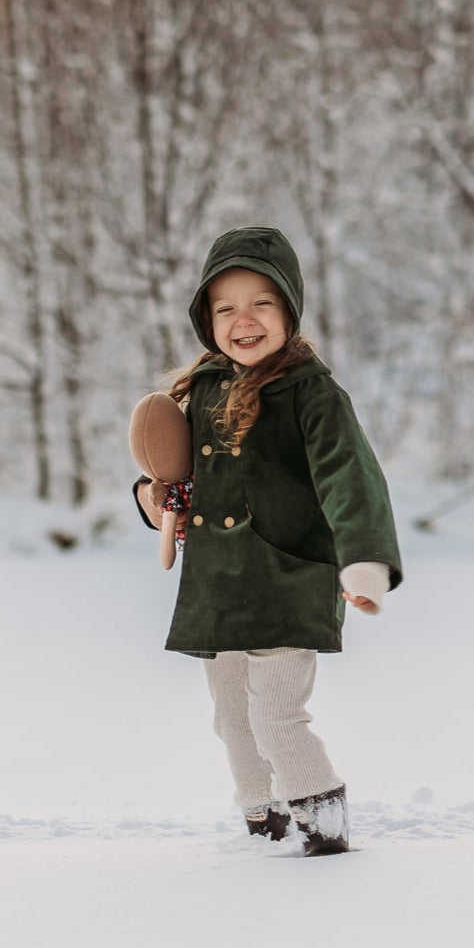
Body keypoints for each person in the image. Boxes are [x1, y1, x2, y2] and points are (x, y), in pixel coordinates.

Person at [133, 226, 402, 856]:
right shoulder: (200, 389)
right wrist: (154, 500)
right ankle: (264, 820)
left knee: (275, 716)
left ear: (288, 309)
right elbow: (180, 479)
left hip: (287, 575)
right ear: (206, 318)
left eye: (261, 302)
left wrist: (363, 560)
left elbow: (349, 477)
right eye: (224, 307)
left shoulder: (312, 395)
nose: (242, 319)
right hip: (219, 583)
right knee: (231, 720)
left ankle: (323, 824)